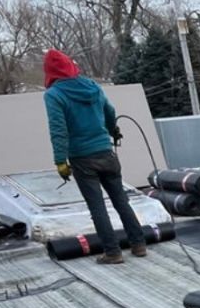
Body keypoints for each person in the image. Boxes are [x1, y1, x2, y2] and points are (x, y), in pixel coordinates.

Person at [43, 49, 147, 264]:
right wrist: (113, 130)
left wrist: (60, 160)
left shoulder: (54, 95)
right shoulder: (93, 87)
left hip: (82, 158)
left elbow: (58, 129)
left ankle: (113, 252)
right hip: (106, 153)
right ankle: (138, 244)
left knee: (97, 207)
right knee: (121, 201)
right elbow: (110, 111)